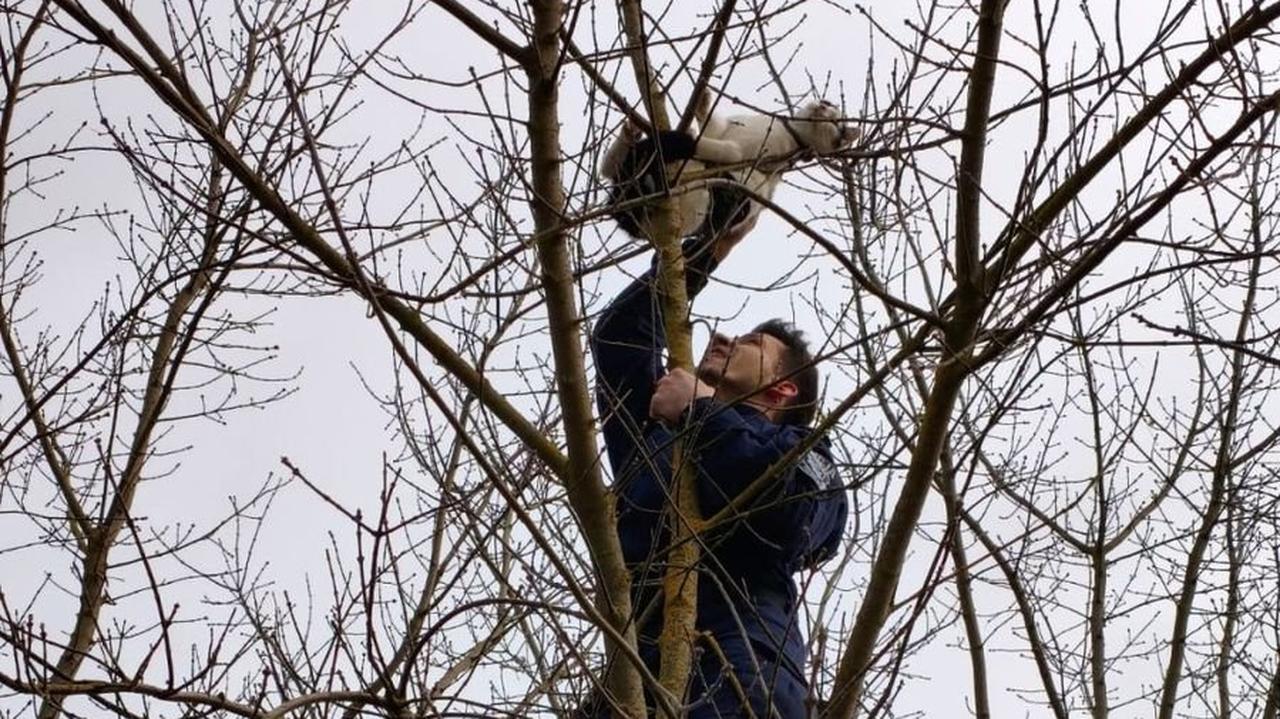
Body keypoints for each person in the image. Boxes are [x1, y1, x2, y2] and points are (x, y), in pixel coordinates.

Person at [588, 213, 849, 718]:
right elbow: (622, 338)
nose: (726, 337)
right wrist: (707, 248)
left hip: (739, 674)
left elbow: (791, 514)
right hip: (635, 677)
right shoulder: (657, 436)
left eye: (752, 345)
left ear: (782, 389)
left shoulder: (801, 451)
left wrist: (699, 411)